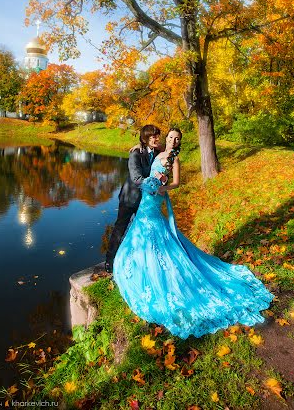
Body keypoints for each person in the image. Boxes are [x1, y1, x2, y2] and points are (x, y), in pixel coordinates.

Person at [113, 128, 274, 339]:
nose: (171, 140)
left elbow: (176, 183)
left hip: (155, 196)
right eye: (169, 137)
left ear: (179, 142)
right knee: (142, 229)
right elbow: (148, 150)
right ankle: (136, 262)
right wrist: (138, 147)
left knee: (153, 228)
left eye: (175, 138)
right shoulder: (160, 150)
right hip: (146, 197)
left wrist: (163, 187)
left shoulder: (174, 160)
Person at [105, 124, 167, 273]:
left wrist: (164, 179)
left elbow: (170, 152)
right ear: (145, 139)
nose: (157, 138)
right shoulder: (136, 154)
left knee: (144, 230)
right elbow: (137, 178)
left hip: (147, 201)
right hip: (130, 199)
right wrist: (155, 183)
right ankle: (110, 261)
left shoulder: (159, 151)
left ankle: (141, 261)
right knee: (120, 228)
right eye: (153, 137)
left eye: (157, 135)